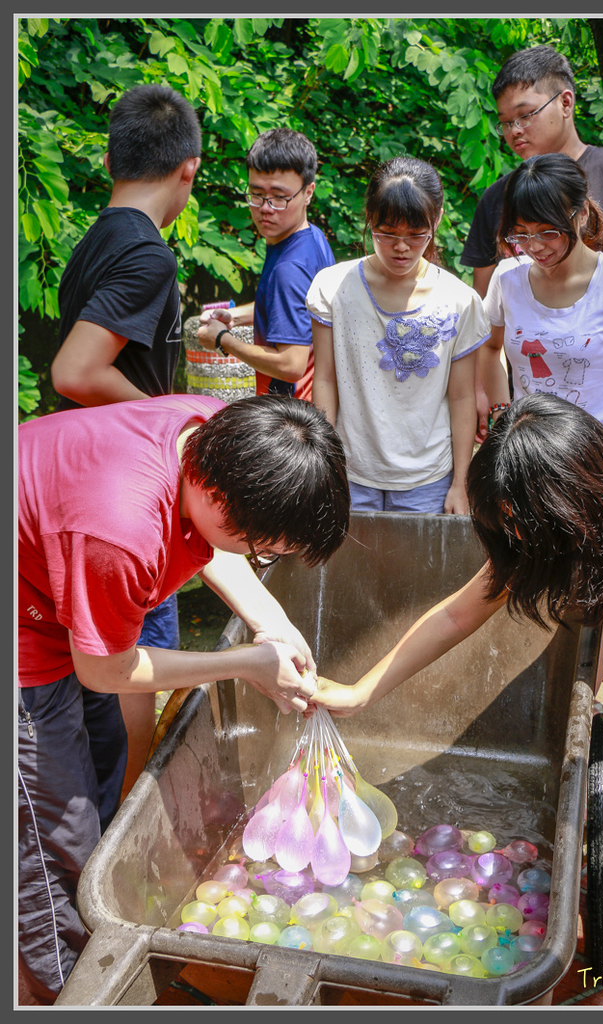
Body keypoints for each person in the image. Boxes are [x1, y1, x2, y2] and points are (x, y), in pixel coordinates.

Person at [312, 393, 603, 1005]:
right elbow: (456, 614)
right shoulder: (544, 520)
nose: (518, 539)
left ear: (576, 500)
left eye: (527, 526)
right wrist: (359, 690)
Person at [18, 391, 350, 1003]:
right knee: (51, 842)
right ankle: (63, 990)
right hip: (24, 636)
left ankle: (86, 928)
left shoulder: (217, 434)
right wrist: (245, 664)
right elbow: (106, 670)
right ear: (220, 496)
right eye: (263, 548)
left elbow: (215, 542)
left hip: (60, 592)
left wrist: (273, 624)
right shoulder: (121, 530)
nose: (260, 557)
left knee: (101, 775)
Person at [50, 83, 203, 796]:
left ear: (111, 159)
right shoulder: (148, 255)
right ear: (188, 169)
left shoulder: (94, 242)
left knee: (91, 673)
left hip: (79, 487)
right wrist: (169, 424)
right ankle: (122, 829)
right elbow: (77, 371)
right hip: (124, 495)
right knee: (132, 670)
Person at [460, 44, 603, 436]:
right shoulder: (498, 198)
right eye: (505, 122)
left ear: (565, 102)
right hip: (531, 424)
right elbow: (485, 320)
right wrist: (487, 398)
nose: (514, 130)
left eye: (525, 115)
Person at [308, 156, 490, 514]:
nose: (401, 247)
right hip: (349, 472)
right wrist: (323, 465)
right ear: (369, 218)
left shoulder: (460, 300)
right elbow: (325, 379)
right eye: (387, 233)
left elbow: (461, 397)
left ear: (437, 220)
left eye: (416, 235)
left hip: (429, 482)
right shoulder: (333, 288)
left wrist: (461, 483)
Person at [478, 153, 603, 438]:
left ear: (582, 213)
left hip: (600, 450)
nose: (534, 247)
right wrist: (501, 414)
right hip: (530, 449)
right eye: (521, 234)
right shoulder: (507, 277)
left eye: (548, 232)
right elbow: (489, 347)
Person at [196, 128, 335, 401]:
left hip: (291, 413)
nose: (265, 208)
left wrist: (223, 339)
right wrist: (234, 317)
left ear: (308, 192)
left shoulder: (289, 268)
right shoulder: (313, 238)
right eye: (256, 193)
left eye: (280, 197)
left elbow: (291, 364)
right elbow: (295, 310)